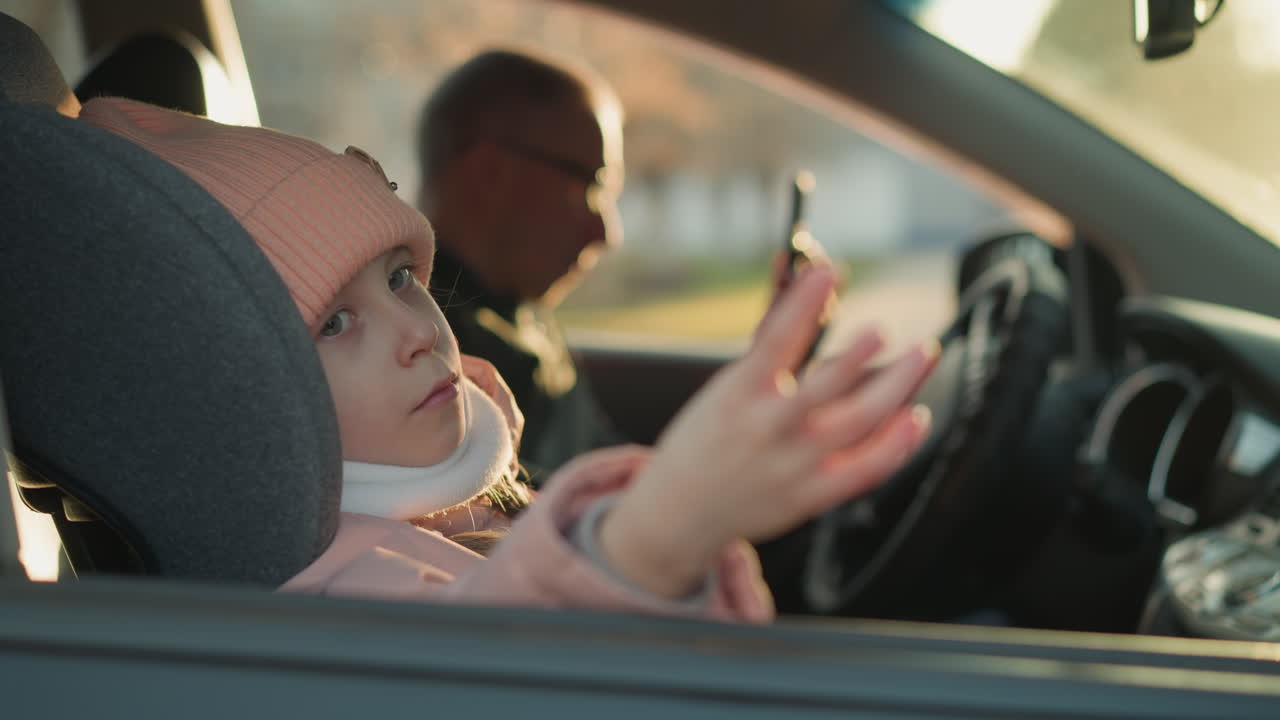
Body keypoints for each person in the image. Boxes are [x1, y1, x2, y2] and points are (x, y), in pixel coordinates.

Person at [79, 96, 937, 623]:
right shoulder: (335, 603)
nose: (420, 329)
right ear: (233, 406)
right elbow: (483, 660)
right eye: (334, 323)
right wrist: (658, 532)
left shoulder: (445, 495)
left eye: (403, 278)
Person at [416, 49, 628, 481]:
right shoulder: (428, 354)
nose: (605, 233)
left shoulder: (517, 313)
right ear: (489, 171)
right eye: (589, 186)